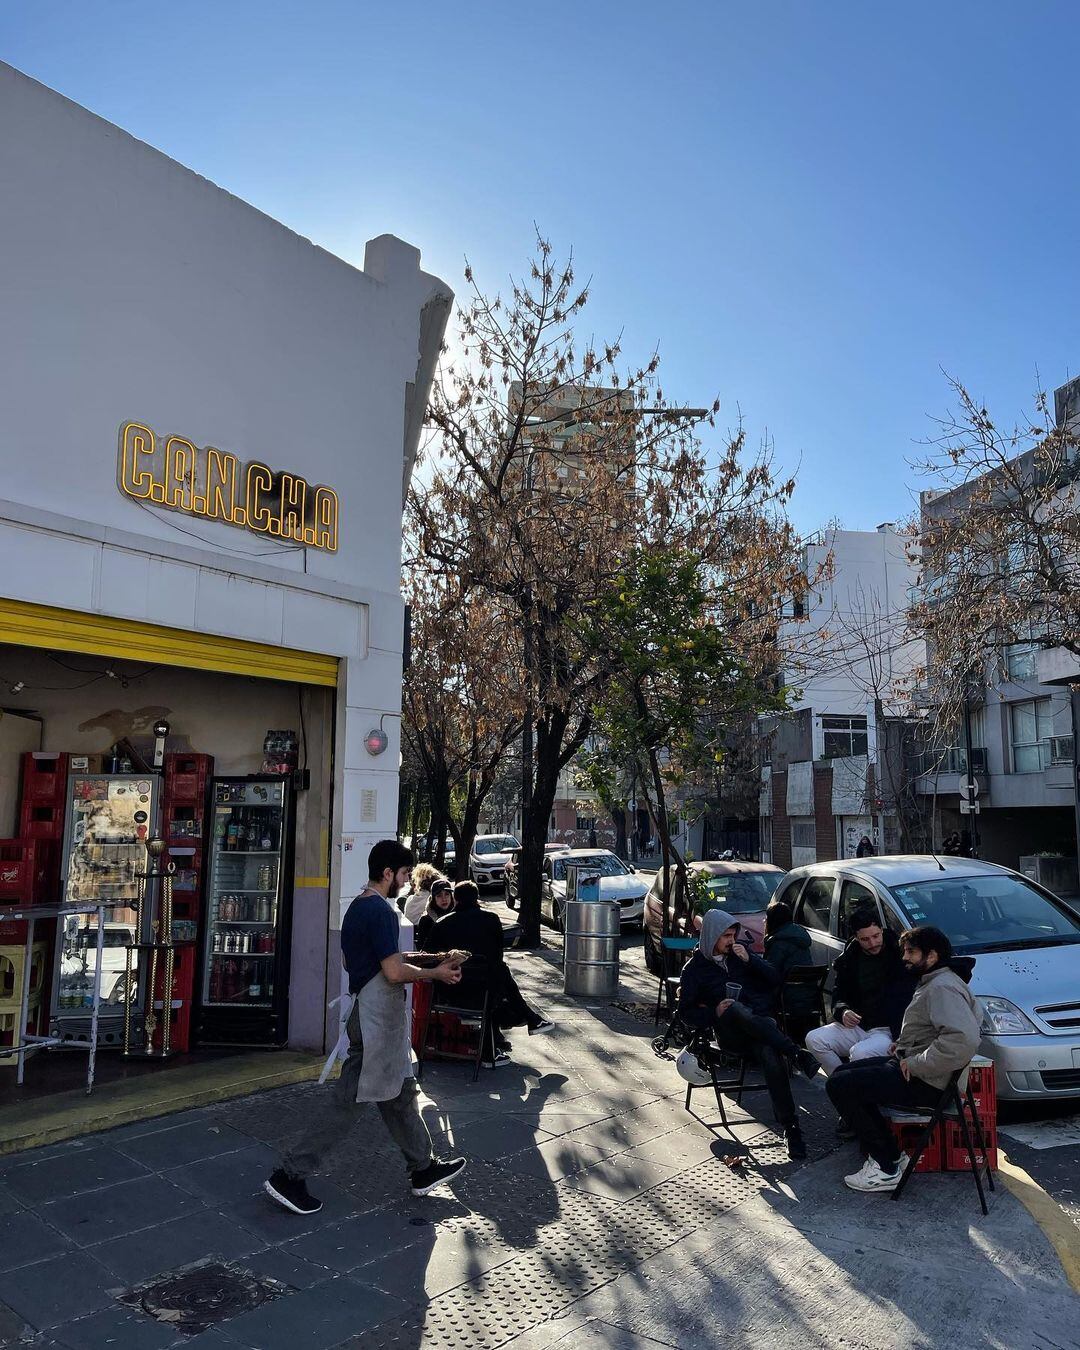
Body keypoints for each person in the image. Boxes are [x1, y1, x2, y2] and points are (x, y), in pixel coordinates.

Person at [265, 840, 468, 1216]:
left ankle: (422, 1168)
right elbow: (392, 971)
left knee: (400, 1094)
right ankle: (289, 1175)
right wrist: (435, 971)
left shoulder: (356, 908)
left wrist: (427, 958)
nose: (408, 883)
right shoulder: (383, 913)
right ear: (388, 873)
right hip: (378, 1020)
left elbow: (355, 961)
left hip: (369, 1013)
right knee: (348, 1104)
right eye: (405, 875)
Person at [826, 924, 981, 1194]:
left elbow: (963, 1040)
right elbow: (940, 1030)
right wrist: (905, 1047)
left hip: (930, 1083)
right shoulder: (937, 982)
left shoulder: (942, 987)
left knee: (840, 1086)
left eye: (911, 952)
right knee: (841, 1075)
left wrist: (917, 1061)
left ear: (931, 956)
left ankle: (886, 1166)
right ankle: (892, 1157)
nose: (905, 958)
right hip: (919, 1072)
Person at [679, 909, 820, 1159]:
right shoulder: (694, 969)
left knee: (768, 1050)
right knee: (734, 1007)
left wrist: (751, 960)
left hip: (758, 1029)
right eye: (726, 937)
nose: (731, 941)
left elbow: (775, 979)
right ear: (712, 936)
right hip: (729, 1033)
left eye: (733, 935)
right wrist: (714, 1012)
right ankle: (796, 1053)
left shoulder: (739, 955)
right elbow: (686, 1014)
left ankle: (791, 1128)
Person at [426, 881, 554, 1063]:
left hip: (451, 988)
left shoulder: (441, 923)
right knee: (500, 973)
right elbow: (497, 955)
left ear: (456, 899)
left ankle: (495, 1047)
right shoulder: (491, 919)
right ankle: (527, 1018)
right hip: (485, 990)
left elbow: (428, 957)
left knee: (498, 975)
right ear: (476, 898)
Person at [805, 908, 916, 1077]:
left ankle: (856, 1091)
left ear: (881, 930)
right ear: (856, 938)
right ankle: (841, 1084)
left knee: (860, 1053)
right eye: (865, 939)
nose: (872, 943)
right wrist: (843, 1011)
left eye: (876, 936)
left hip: (890, 1029)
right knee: (814, 1039)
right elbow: (839, 993)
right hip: (859, 1024)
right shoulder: (851, 957)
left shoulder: (900, 952)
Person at [414, 877, 455, 949]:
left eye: (447, 894)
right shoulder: (426, 920)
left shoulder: (457, 915)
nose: (444, 899)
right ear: (433, 899)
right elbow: (422, 948)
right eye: (439, 896)